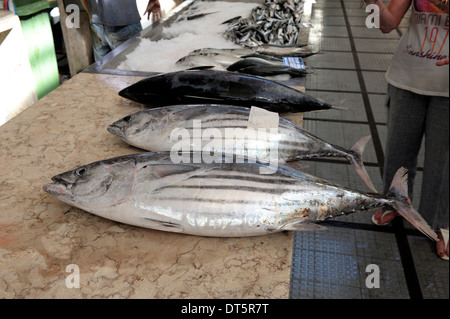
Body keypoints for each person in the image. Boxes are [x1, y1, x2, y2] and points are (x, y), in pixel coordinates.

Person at [364, 0, 449, 260]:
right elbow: (387, 24)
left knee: (444, 160)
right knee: (398, 150)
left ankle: (443, 221)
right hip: (406, 77)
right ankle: (395, 201)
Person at [81, 0, 162, 61]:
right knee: (134, 73)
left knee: (103, 75)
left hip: (97, 24)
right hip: (124, 23)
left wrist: (90, 14)